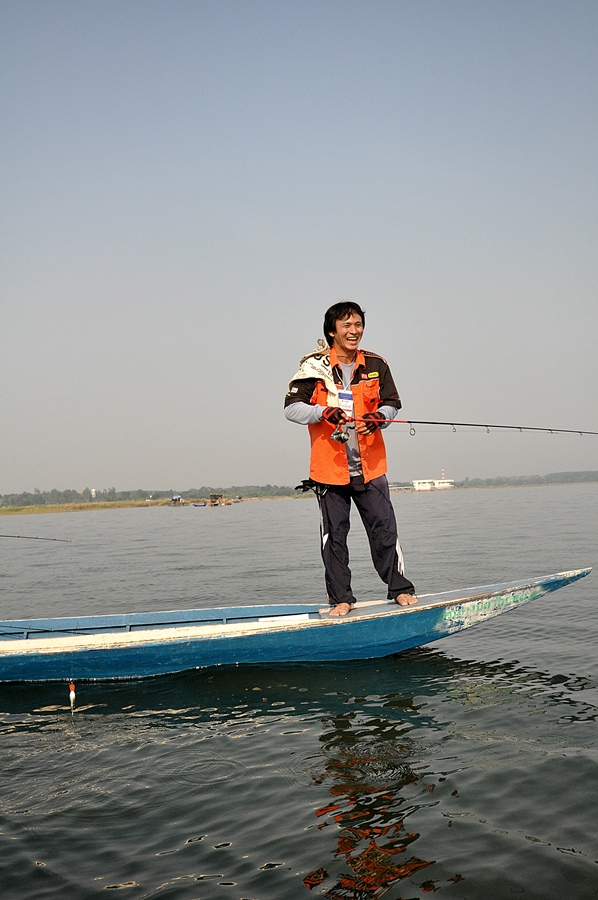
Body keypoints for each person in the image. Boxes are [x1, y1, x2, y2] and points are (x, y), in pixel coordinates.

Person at [284, 301, 417, 616]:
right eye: (347, 325)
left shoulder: (376, 364)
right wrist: (322, 411)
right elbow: (291, 409)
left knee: (385, 531)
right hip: (329, 471)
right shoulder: (313, 368)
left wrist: (378, 417)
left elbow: (392, 403)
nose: (354, 330)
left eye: (358, 324)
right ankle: (341, 599)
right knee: (334, 539)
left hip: (371, 468)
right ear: (332, 331)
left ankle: (399, 589)